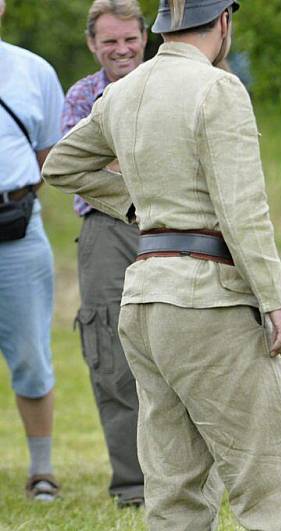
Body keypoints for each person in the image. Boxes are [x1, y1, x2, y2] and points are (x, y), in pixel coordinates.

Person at [42, 1, 281, 528]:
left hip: (145, 298)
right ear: (223, 22)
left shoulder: (120, 92)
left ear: (161, 28)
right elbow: (243, 208)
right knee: (274, 477)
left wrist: (137, 207)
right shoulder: (218, 88)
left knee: (175, 486)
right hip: (208, 301)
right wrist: (275, 300)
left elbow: (61, 164)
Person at [60, 0, 147, 508]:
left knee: (186, 350)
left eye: (130, 38)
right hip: (103, 232)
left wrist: (116, 157)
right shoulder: (80, 96)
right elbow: (80, 166)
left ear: (145, 37)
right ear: (93, 44)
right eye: (109, 41)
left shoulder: (171, 83)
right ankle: (133, 487)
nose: (121, 49)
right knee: (109, 358)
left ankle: (191, 478)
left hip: (171, 227)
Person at [0, 0, 64, 502]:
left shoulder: (32, 70)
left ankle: (41, 471)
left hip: (17, 231)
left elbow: (50, 156)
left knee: (30, 356)